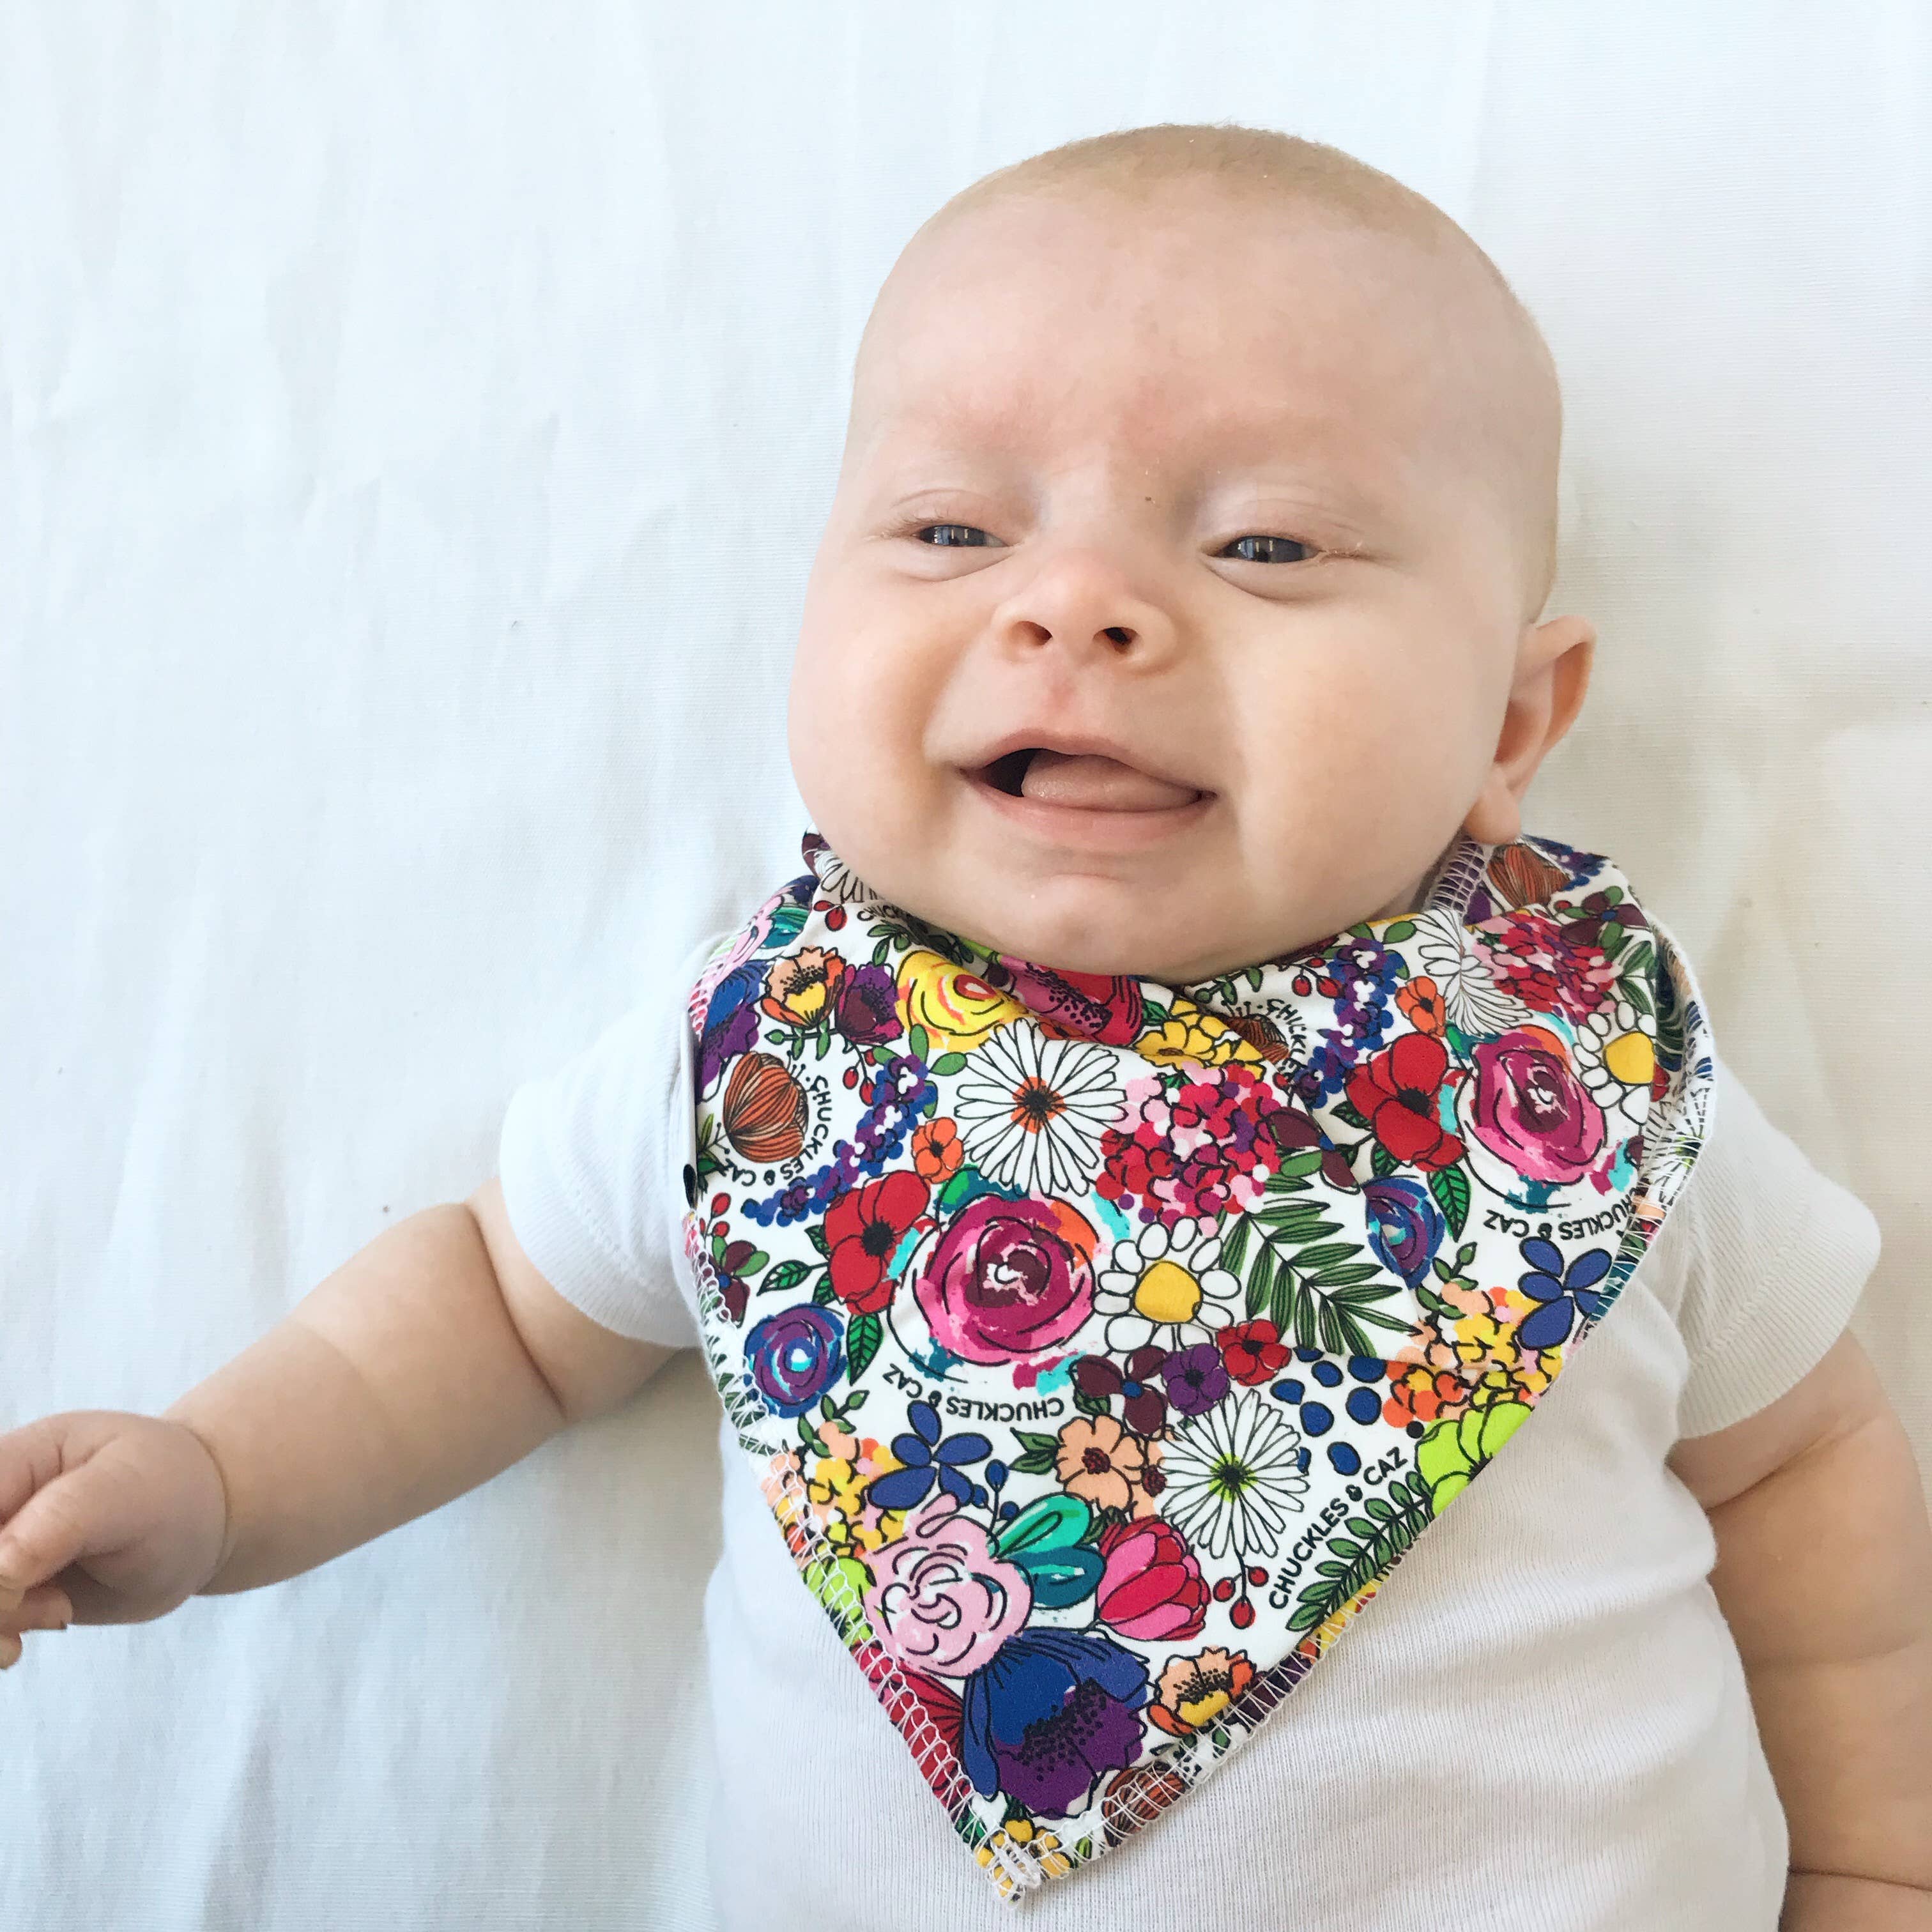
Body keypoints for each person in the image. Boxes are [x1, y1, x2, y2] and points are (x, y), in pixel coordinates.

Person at [3, 124, 1927, 1932]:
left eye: (1264, 547)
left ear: (1510, 723)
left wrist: (1875, 1868)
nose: (1078, 604)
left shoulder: (1586, 1066)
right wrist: (219, 1483)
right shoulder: (771, 1058)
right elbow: (495, 1314)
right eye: (948, 530)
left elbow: (1806, 1471)